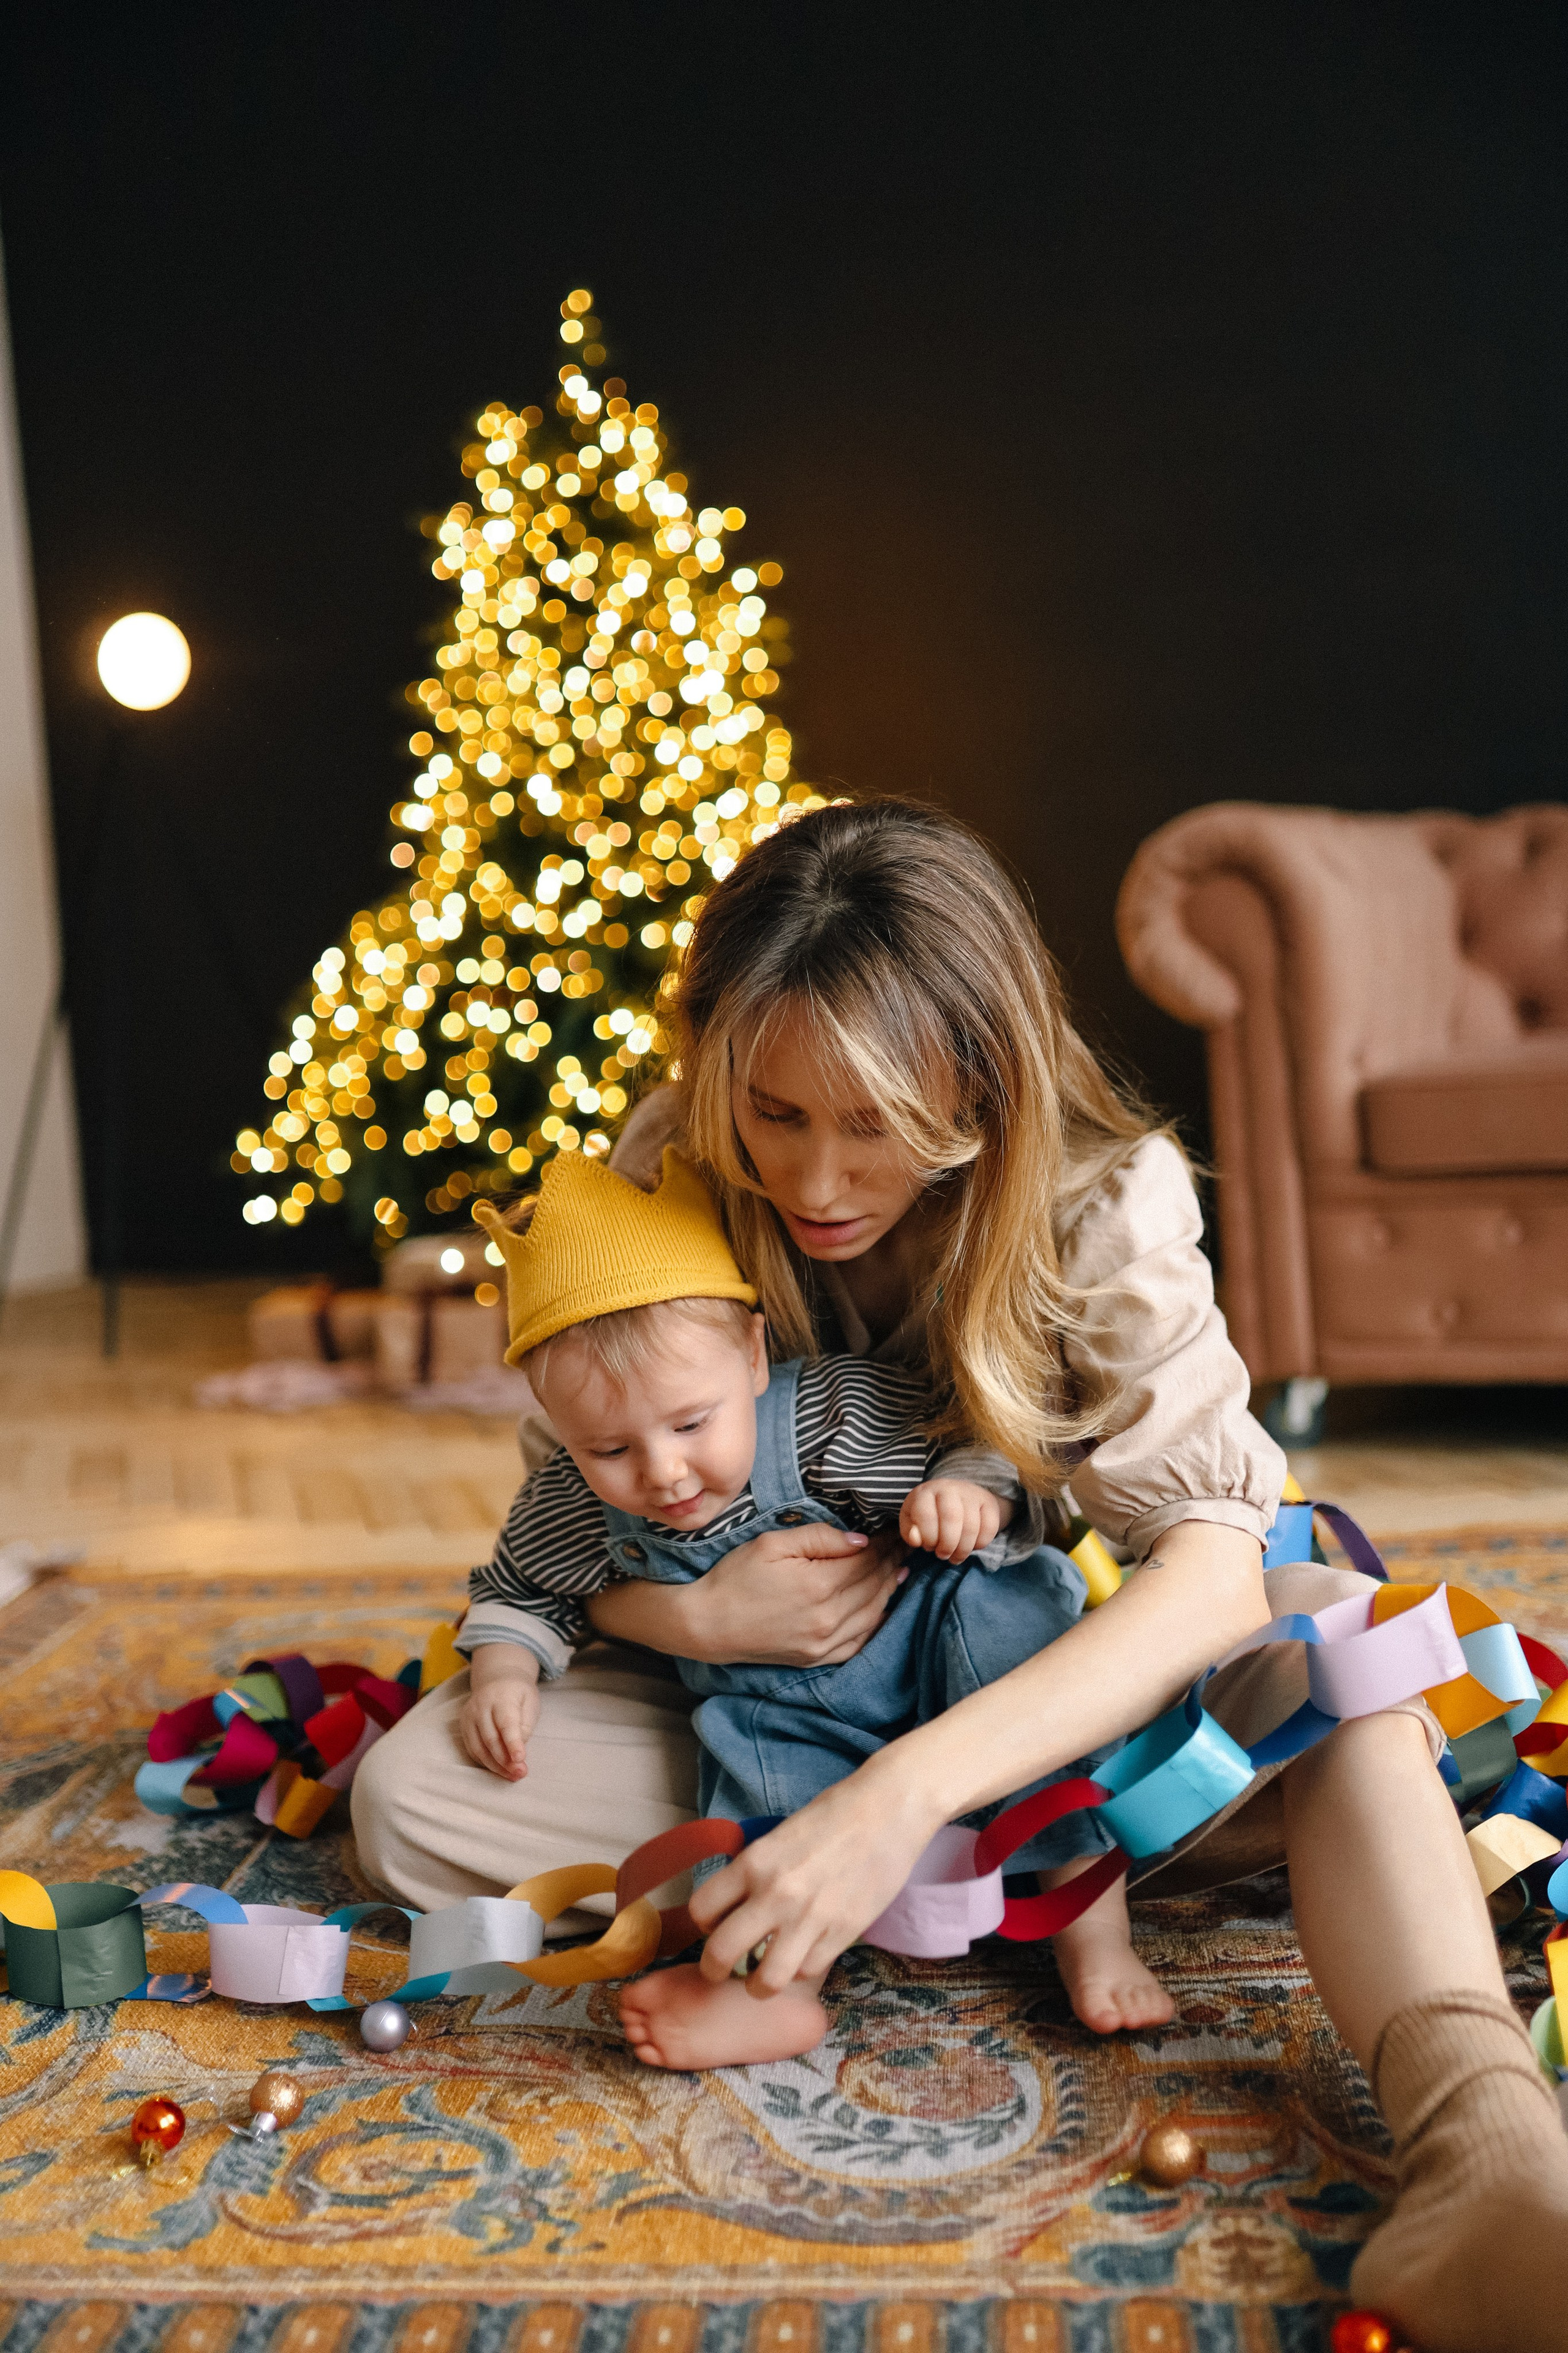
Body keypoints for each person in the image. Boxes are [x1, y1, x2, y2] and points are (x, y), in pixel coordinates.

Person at [354, 799, 1568, 2353]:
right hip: (769, 1712)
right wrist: (679, 1612)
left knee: (1336, 1647)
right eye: (774, 1112)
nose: (815, 1176)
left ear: (982, 1079)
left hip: (1025, 1689)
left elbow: (1207, 1571)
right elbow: (573, 1503)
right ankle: (1084, 1864)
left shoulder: (1101, 1197)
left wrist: (898, 1799)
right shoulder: (670, 1161)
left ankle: (1486, 2151)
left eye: (874, 1122)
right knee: (415, 1801)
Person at [456, 1143, 1136, 2067]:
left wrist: (966, 1494)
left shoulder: (827, 1417)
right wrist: (503, 1669)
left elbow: (974, 1435)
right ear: (555, 1420)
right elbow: (520, 1586)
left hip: (933, 1646)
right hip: (783, 1709)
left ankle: (1095, 1939)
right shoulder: (569, 1502)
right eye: (610, 1449)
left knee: (1014, 1643)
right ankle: (768, 1994)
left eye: (692, 1423)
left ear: (752, 1354)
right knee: (752, 1793)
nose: (664, 1472)